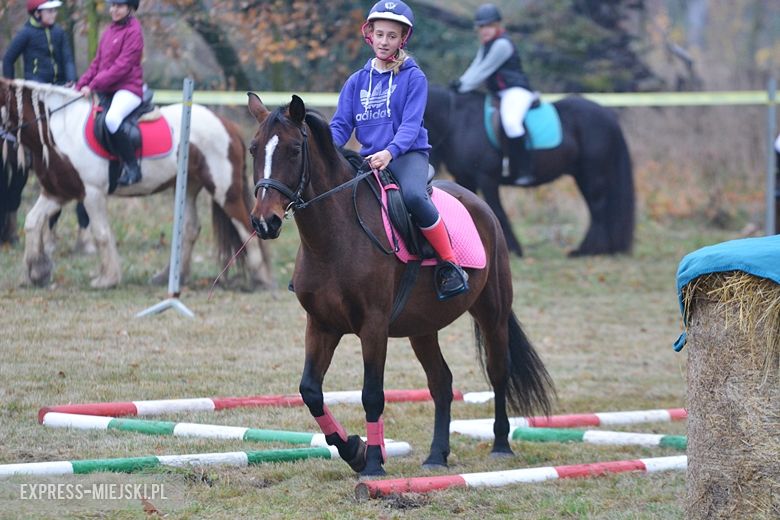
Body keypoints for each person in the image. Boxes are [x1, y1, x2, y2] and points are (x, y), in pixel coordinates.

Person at [329, 0, 469, 300]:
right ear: (369, 34)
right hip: (370, 158)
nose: (384, 41)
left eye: (391, 36)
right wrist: (324, 148)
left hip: (407, 155)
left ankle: (450, 265)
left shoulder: (414, 77)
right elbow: (340, 125)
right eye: (379, 34)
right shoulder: (356, 81)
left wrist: (390, 152)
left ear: (403, 38)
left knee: (415, 196)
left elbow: (410, 125)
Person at [2, 0, 90, 245]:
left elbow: (68, 59)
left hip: (58, 90)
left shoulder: (60, 33)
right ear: (37, 13)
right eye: (49, 10)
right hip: (36, 92)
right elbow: (8, 59)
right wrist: (10, 90)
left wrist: (71, 81)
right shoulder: (26, 34)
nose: (54, 14)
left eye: (54, 10)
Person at [452, 3, 535, 186]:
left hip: (515, 90)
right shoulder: (486, 45)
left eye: (489, 26)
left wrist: (464, 86)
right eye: (481, 26)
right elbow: (476, 66)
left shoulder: (502, 44)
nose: (485, 30)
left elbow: (484, 70)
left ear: (497, 25)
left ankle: (525, 169)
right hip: (498, 94)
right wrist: (461, 82)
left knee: (512, 123)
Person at [76, 0, 144, 187]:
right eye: (113, 5)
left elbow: (121, 67)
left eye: (119, 6)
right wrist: (80, 85)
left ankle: (133, 168)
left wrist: (93, 85)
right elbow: (97, 64)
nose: (114, 10)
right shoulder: (108, 31)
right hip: (108, 89)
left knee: (112, 119)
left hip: (128, 88)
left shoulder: (134, 32)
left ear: (130, 8)